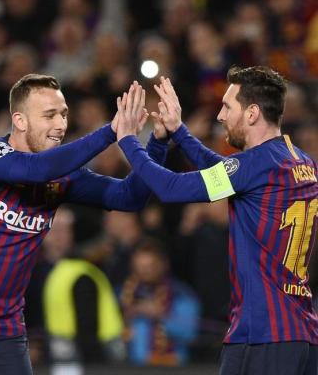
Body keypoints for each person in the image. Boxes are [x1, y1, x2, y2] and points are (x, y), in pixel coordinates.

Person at [0, 74, 169, 375]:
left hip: (2, 334)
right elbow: (34, 170)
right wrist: (111, 131)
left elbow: (130, 197)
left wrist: (158, 144)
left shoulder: (64, 176)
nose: (61, 125)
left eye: (64, 114)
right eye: (50, 115)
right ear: (20, 120)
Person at [116, 66, 318, 375]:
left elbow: (170, 188)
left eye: (227, 106)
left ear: (252, 113)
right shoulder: (300, 161)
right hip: (301, 334)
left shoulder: (257, 165)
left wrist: (129, 140)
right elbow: (227, 173)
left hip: (263, 335)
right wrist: (179, 131)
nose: (220, 116)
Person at [120, 242, 200, 366]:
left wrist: (161, 315)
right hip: (132, 367)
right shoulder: (124, 293)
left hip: (171, 367)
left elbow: (190, 333)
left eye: (150, 266)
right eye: (139, 266)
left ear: (164, 265)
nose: (144, 271)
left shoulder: (180, 294)